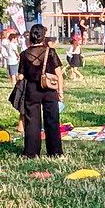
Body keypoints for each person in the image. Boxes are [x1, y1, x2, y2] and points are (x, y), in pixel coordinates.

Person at [15, 24, 65, 157]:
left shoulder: (24, 54)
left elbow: (21, 76)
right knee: (52, 120)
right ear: (44, 36)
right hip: (49, 89)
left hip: (32, 90)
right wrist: (60, 91)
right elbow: (59, 73)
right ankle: (55, 152)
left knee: (31, 122)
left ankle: (31, 152)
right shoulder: (51, 52)